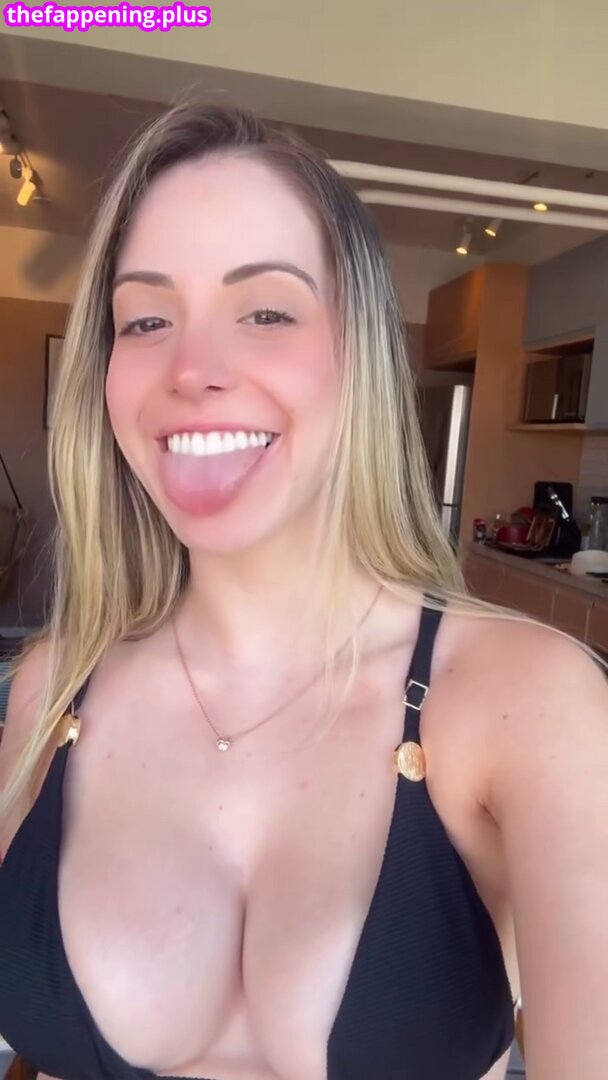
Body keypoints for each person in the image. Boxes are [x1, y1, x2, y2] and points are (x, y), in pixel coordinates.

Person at [0, 99, 606, 1080]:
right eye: (145, 319)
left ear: (358, 354)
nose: (193, 369)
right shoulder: (52, 686)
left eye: (267, 312)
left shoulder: (528, 702)